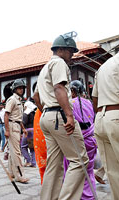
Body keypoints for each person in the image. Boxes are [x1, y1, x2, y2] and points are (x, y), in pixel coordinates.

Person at [33, 31, 89, 199]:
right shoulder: (59, 64)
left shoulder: (44, 68)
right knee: (80, 160)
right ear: (61, 50)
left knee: (54, 163)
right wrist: (69, 116)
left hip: (47, 117)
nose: (72, 55)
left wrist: (47, 113)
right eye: (71, 51)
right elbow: (59, 88)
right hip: (59, 115)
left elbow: (36, 96)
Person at [63, 80, 97, 200]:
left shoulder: (69, 104)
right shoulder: (88, 102)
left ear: (71, 91)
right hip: (91, 140)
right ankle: (91, 195)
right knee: (89, 171)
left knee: (75, 170)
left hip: (78, 141)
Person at [92, 51, 119, 200]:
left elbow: (94, 98)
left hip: (101, 118)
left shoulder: (103, 66)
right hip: (116, 115)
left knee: (114, 173)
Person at [4, 79, 29, 183]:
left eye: (22, 88)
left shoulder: (19, 100)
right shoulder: (12, 99)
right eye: (19, 88)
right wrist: (7, 130)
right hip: (12, 125)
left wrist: (23, 128)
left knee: (12, 151)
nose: (21, 89)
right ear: (14, 89)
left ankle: (12, 173)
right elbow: (6, 115)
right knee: (16, 152)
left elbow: (18, 117)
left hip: (17, 125)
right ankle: (20, 175)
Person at [21, 101, 37, 167]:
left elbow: (23, 123)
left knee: (23, 146)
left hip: (28, 131)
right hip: (34, 130)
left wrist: (21, 131)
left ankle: (28, 161)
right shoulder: (34, 113)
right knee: (32, 148)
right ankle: (33, 162)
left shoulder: (26, 113)